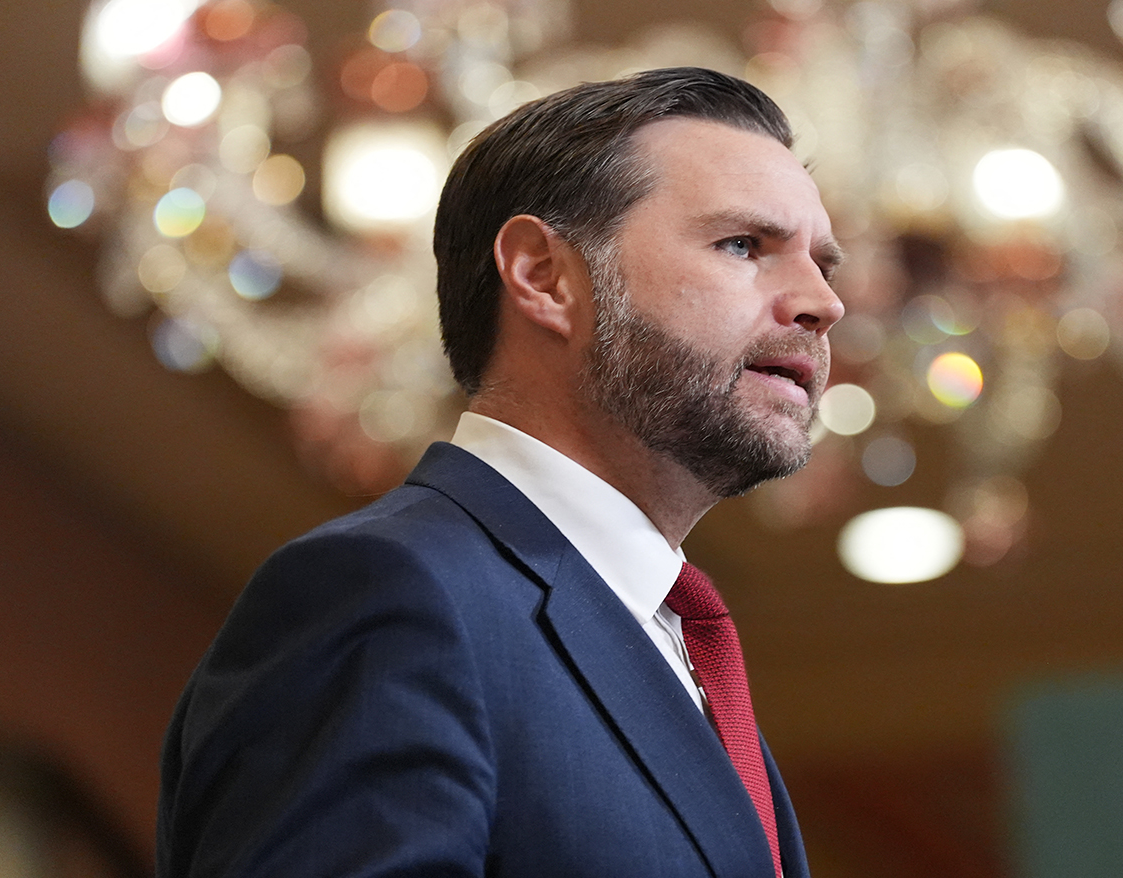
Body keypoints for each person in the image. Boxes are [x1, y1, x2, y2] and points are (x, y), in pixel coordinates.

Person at [155, 66, 845, 878]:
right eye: (744, 245)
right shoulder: (386, 596)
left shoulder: (676, 647)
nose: (821, 302)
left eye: (823, 264)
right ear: (543, 276)